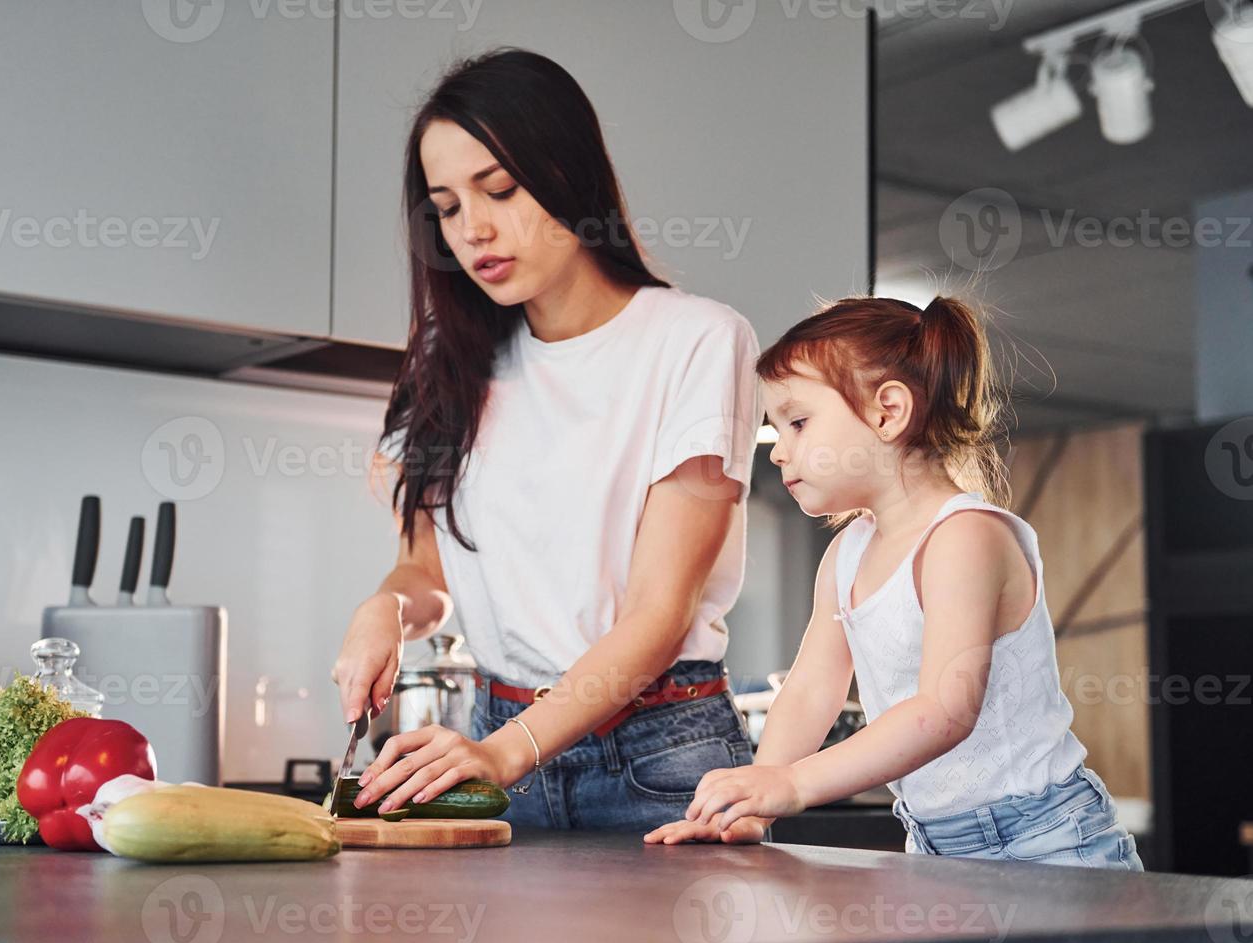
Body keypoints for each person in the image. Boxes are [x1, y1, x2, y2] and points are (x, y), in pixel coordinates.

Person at [330, 48, 761, 831]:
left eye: (500, 189)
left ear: (569, 175)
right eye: (448, 207)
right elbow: (425, 569)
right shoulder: (448, 362)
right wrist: (384, 609)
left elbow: (657, 616)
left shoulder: (697, 342)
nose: (476, 229)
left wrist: (507, 752)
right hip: (496, 746)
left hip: (659, 759)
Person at [646, 295, 1143, 870]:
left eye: (798, 422)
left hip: (1048, 842)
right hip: (933, 845)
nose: (778, 451)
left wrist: (795, 784)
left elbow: (943, 710)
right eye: (775, 428)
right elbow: (811, 691)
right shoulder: (846, 554)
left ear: (888, 411)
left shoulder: (964, 538)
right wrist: (758, 801)